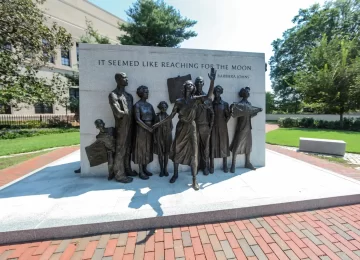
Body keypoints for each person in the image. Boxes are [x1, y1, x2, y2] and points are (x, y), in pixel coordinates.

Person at [153, 68, 216, 191]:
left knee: (194, 152)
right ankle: (175, 174)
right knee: (177, 149)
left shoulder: (196, 100)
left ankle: (194, 179)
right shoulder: (179, 101)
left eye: (192, 85)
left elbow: (208, 97)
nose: (190, 86)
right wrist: (159, 124)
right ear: (184, 87)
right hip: (181, 127)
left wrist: (212, 81)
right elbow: (171, 116)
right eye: (188, 85)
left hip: (192, 127)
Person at [108, 72, 137, 183]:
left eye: (126, 77)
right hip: (121, 126)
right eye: (124, 77)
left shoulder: (129, 96)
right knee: (120, 149)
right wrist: (125, 113)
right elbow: (118, 112)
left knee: (128, 148)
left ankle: (127, 169)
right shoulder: (113, 95)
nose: (127, 79)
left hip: (131, 125)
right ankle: (119, 174)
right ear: (118, 80)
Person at [230, 87, 262, 172]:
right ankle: (233, 164)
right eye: (247, 92)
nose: (249, 93)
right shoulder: (240, 104)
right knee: (237, 145)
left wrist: (257, 111)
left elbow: (249, 115)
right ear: (244, 94)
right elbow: (236, 114)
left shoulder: (249, 104)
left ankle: (247, 162)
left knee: (248, 145)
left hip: (248, 127)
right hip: (241, 127)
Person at [132, 85, 155, 180]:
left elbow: (154, 116)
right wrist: (147, 128)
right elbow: (137, 119)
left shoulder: (149, 105)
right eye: (145, 92)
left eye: (147, 91)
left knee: (147, 149)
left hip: (149, 129)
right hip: (141, 130)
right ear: (141, 94)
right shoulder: (137, 105)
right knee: (141, 149)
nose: (147, 93)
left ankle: (145, 169)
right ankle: (141, 171)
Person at [194, 76, 214, 176]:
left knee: (205, 148)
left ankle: (205, 166)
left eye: (201, 82)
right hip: (195, 126)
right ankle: (196, 166)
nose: (199, 84)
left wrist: (210, 126)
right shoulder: (192, 97)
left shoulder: (207, 97)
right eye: (197, 82)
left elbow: (212, 113)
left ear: (203, 84)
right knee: (195, 147)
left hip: (205, 126)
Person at [210, 85, 231, 173]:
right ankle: (211, 166)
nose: (216, 93)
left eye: (218, 91)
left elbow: (227, 116)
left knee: (224, 145)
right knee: (212, 145)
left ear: (221, 92)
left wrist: (229, 114)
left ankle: (225, 165)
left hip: (223, 127)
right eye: (215, 91)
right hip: (213, 127)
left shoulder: (225, 104)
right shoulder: (211, 103)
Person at [154, 101, 173, 177]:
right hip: (159, 137)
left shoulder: (169, 117)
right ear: (160, 108)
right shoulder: (157, 117)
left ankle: (165, 169)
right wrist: (155, 138)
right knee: (160, 154)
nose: (164, 108)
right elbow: (154, 128)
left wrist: (167, 132)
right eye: (162, 107)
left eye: (165, 107)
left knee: (166, 154)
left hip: (167, 137)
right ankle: (161, 169)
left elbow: (171, 127)